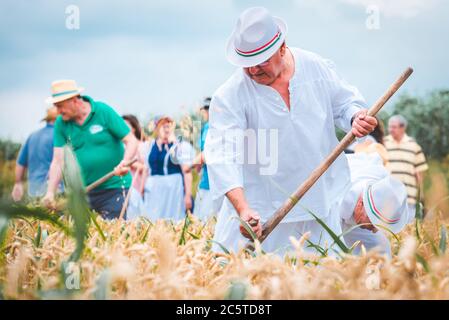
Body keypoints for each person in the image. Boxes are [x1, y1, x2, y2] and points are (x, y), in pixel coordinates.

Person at [205, 7, 377, 254]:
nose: (253, 70)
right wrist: (242, 208)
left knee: (321, 284)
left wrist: (356, 117)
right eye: (247, 64)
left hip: (319, 204)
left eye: (261, 61)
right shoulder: (230, 95)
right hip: (262, 213)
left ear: (282, 47)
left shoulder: (315, 67)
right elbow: (222, 155)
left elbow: (346, 103)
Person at [42, 80, 138, 220]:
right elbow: (58, 161)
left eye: (60, 106)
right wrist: (50, 192)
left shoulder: (103, 112)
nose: (58, 111)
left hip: (114, 188)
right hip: (81, 193)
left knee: (112, 234)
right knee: (81, 238)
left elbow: (131, 140)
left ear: (74, 100)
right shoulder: (61, 124)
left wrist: (125, 162)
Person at [338, 152, 409, 257]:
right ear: (360, 204)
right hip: (325, 208)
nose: (375, 231)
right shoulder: (338, 199)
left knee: (381, 251)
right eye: (373, 224)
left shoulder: (383, 186)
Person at [142, 116, 193, 221]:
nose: (166, 129)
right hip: (154, 189)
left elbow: (187, 171)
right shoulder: (149, 146)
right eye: (162, 126)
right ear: (156, 129)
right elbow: (146, 170)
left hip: (173, 189)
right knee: (153, 220)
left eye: (168, 126)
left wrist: (188, 195)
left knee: (173, 220)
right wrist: (141, 190)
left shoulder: (179, 146)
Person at [384, 115, 428, 222]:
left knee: (409, 230)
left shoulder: (414, 146)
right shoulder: (383, 143)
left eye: (394, 127)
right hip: (388, 196)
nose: (391, 130)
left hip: (409, 196)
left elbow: (419, 173)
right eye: (389, 127)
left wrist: (421, 195)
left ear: (403, 128)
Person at [11, 107, 62, 201]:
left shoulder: (32, 136)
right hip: (55, 191)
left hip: (33, 191)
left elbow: (20, 163)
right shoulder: (60, 136)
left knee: (36, 215)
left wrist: (18, 183)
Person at [122, 114, 149, 219]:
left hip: (136, 184)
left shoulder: (142, 145)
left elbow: (145, 167)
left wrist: (128, 162)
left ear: (133, 128)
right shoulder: (121, 145)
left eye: (125, 125)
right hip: (123, 185)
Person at [193, 97, 215, 221]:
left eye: (208, 108)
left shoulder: (212, 127)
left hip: (212, 184)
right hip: (206, 180)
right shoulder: (206, 127)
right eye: (205, 109)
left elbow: (208, 153)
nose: (206, 112)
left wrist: (191, 164)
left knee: (206, 219)